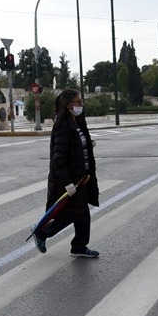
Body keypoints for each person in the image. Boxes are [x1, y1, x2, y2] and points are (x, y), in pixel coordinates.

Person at [31, 89, 100, 258]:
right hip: (69, 181)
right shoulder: (63, 126)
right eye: (79, 102)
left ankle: (78, 246)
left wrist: (87, 144)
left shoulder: (77, 122)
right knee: (73, 214)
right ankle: (43, 232)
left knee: (79, 214)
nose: (82, 104)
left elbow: (75, 146)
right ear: (69, 105)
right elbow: (58, 159)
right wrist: (68, 184)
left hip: (81, 177)